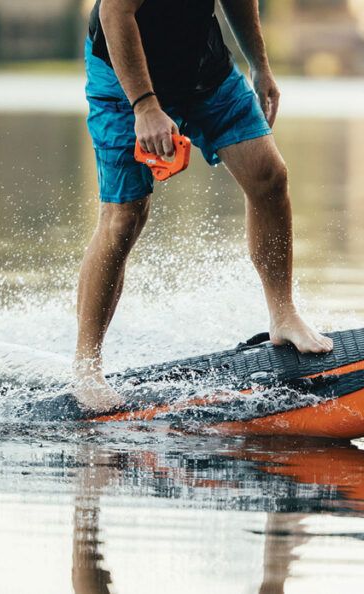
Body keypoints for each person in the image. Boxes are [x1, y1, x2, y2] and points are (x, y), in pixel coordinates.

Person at [74, 0, 333, 412]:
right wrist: (145, 107)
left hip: (202, 68)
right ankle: (87, 366)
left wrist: (260, 65)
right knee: (124, 219)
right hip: (124, 80)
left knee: (269, 176)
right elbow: (114, 14)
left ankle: (283, 316)